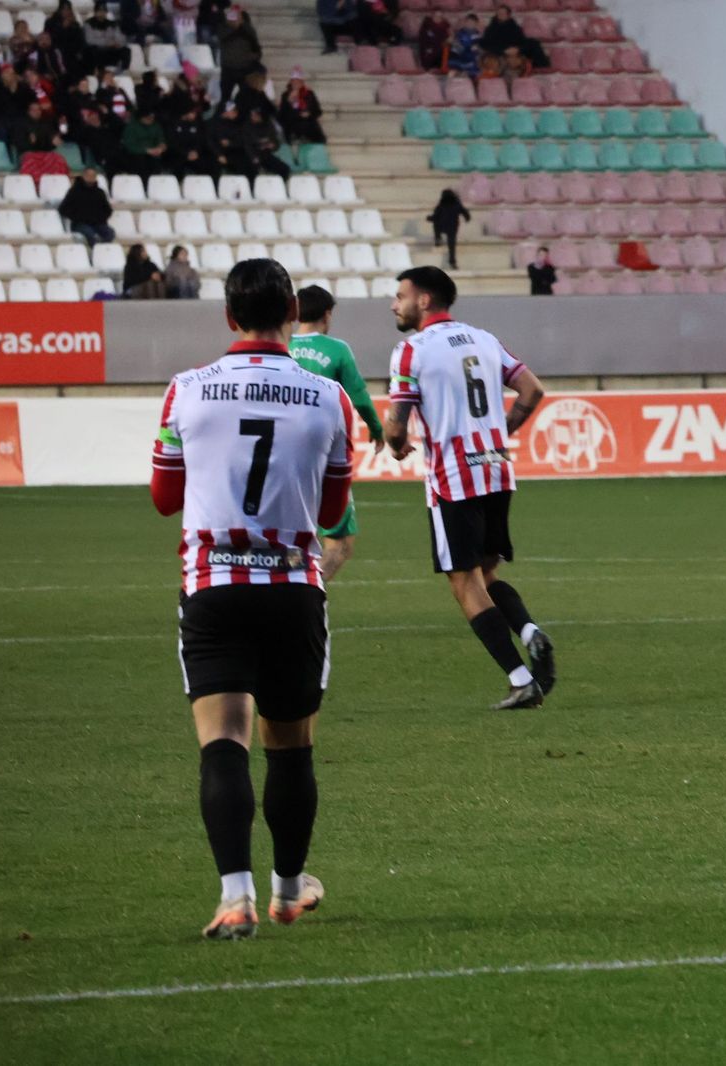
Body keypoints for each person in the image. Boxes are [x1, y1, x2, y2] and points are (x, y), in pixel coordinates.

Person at [149, 257, 354, 939]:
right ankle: (290, 890)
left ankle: (233, 897)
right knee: (290, 748)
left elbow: (163, 498)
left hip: (214, 586)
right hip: (293, 586)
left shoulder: (186, 390)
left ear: (229, 316)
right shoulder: (329, 396)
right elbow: (331, 507)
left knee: (223, 742)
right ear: (293, 310)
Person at [383, 267, 555, 710]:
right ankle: (531, 633)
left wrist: (396, 445)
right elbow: (531, 390)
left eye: (399, 296)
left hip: (453, 481)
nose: (394, 304)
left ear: (423, 301)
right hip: (496, 470)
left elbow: (397, 424)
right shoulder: (483, 338)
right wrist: (500, 433)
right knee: (487, 572)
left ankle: (521, 680)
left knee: (464, 583)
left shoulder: (411, 351)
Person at [289, 286, 385, 578]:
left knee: (290, 540)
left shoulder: (281, 346)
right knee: (340, 543)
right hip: (322, 456)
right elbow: (358, 397)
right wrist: (377, 429)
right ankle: (306, 595)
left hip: (280, 457)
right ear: (327, 314)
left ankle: (280, 594)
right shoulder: (337, 350)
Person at [60, 167, 117, 246]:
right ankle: (95, 252)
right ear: (84, 176)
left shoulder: (100, 193)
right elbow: (63, 209)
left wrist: (100, 218)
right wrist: (77, 217)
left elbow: (107, 210)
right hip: (80, 224)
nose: (91, 178)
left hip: (98, 223)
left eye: (93, 175)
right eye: (88, 175)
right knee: (91, 235)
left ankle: (101, 250)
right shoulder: (74, 191)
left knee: (110, 233)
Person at [217, 5, 261, 101]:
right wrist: (235, 27)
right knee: (225, 97)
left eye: (237, 15)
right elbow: (223, 37)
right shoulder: (223, 27)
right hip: (228, 69)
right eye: (233, 15)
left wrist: (253, 57)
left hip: (244, 69)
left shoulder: (248, 29)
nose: (235, 17)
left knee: (246, 97)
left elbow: (255, 46)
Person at [426, 188, 470, 271]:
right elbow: (465, 212)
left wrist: (428, 218)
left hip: (442, 225)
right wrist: (467, 218)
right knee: (451, 246)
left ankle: (438, 238)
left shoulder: (441, 205)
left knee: (436, 224)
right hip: (453, 227)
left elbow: (435, 217)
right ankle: (452, 262)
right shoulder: (457, 204)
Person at [277, 70, 324, 145]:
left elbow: (318, 111)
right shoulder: (285, 95)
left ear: (302, 83)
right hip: (291, 124)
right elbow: (281, 116)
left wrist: (309, 114)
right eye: (293, 82)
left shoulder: (309, 94)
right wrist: (288, 102)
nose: (295, 84)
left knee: (310, 127)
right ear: (290, 83)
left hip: (307, 122)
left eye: (298, 82)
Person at [242, 108, 289, 178]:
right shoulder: (247, 127)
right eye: (252, 115)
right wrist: (254, 157)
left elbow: (275, 142)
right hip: (251, 156)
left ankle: (278, 187)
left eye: (256, 115)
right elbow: (247, 145)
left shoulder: (268, 124)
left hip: (266, 155)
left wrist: (273, 145)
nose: (254, 117)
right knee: (253, 173)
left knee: (284, 169)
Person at [120, 109, 168, 176]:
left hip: (155, 153)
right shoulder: (131, 127)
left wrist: (161, 146)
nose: (151, 119)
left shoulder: (156, 125)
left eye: (152, 117)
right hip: (137, 155)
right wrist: (146, 151)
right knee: (141, 162)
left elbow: (161, 139)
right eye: (148, 118)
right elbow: (129, 146)